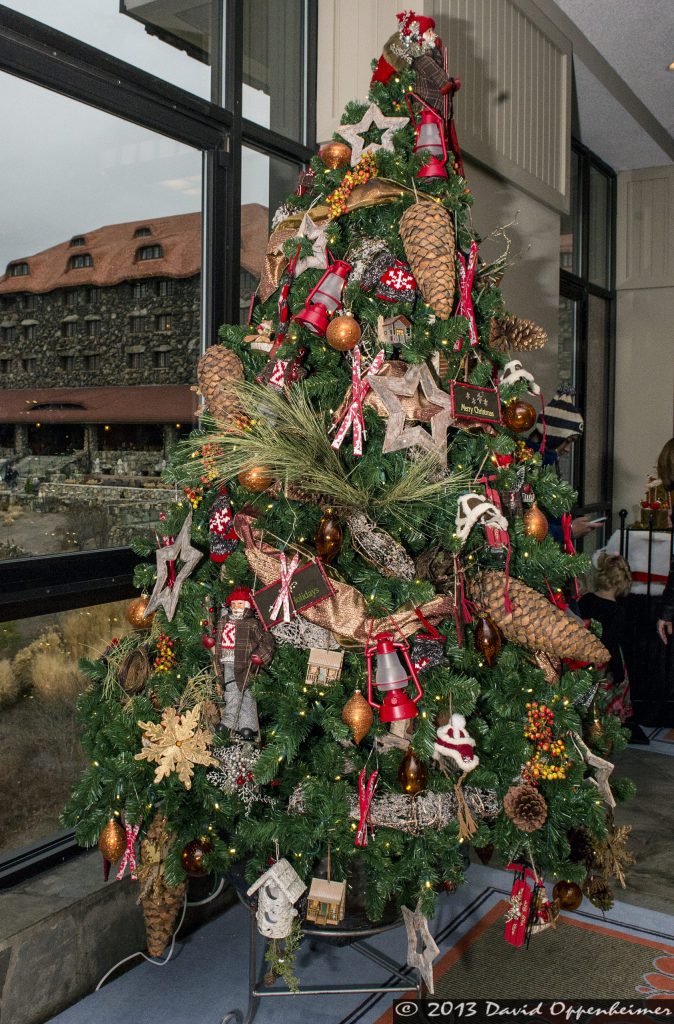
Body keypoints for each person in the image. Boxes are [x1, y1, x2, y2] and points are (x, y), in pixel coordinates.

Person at [526, 386, 600, 543]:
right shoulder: (528, 467)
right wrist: (567, 531)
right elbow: (526, 527)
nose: (567, 449)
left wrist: (569, 525)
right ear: (554, 434)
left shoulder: (547, 465)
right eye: (568, 441)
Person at [578, 554, 634, 724]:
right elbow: (610, 643)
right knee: (604, 704)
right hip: (605, 665)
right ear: (622, 583)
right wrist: (618, 673)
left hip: (582, 658)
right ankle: (603, 733)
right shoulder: (618, 611)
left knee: (583, 700)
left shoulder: (586, 600)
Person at [215, 586, 275, 740]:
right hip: (227, 663)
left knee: (247, 694)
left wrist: (260, 656)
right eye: (233, 604)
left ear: (247, 605)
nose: (236, 607)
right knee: (231, 693)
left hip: (246, 665)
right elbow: (218, 642)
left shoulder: (252, 624)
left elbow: (267, 641)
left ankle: (248, 725)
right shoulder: (223, 621)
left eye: (240, 604)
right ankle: (231, 722)